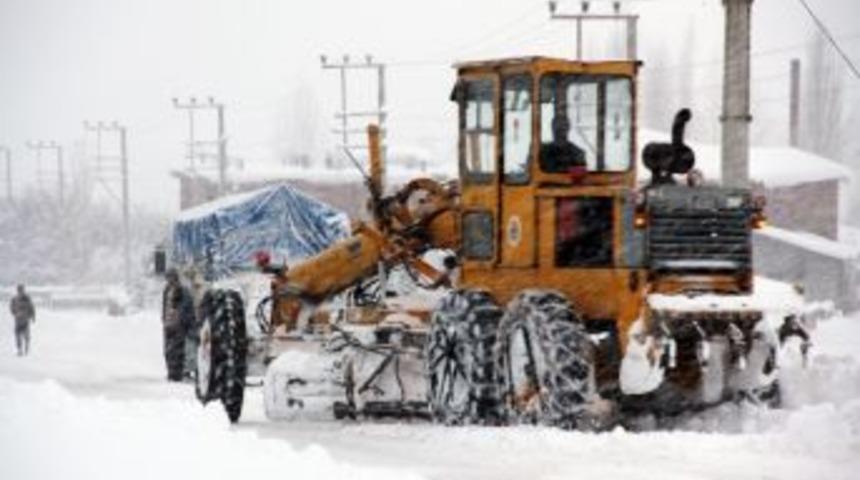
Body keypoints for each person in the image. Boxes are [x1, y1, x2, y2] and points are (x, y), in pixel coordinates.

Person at [162, 269, 194, 381]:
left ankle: (178, 373)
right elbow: (165, 305)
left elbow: (186, 308)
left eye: (171, 278)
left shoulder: (183, 290)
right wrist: (164, 319)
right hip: (169, 324)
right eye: (168, 278)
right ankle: (171, 372)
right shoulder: (167, 290)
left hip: (178, 325)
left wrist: (182, 321)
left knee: (178, 350)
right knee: (168, 351)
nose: (169, 280)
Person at [9, 284, 35, 356]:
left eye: (21, 290)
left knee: (26, 336)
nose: (20, 291)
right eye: (19, 290)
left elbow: (31, 307)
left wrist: (32, 316)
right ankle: (20, 349)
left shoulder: (27, 298)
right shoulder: (14, 299)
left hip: (25, 320)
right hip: (18, 320)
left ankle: (26, 348)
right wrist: (15, 313)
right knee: (18, 336)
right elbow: (11, 308)